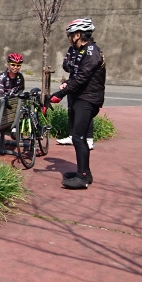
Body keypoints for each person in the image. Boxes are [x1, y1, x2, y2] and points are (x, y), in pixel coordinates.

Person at [50, 18, 106, 190]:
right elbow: (77, 76)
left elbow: (82, 78)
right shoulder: (85, 50)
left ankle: (82, 177)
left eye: (70, 35)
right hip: (83, 97)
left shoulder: (91, 52)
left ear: (78, 35)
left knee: (78, 137)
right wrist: (68, 84)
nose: (69, 38)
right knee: (78, 136)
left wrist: (60, 93)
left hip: (88, 99)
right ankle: (85, 172)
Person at [56, 44, 94, 150]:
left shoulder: (89, 50)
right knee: (71, 110)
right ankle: (72, 136)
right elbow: (66, 64)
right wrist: (72, 66)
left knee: (86, 112)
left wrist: (75, 66)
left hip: (84, 85)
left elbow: (85, 70)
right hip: (72, 80)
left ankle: (89, 139)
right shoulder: (71, 48)